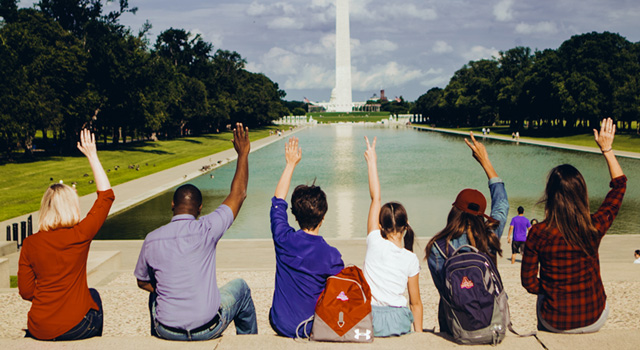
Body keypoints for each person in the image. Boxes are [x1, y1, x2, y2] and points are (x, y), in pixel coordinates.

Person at [134, 123, 257, 341]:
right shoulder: (207, 228)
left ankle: (158, 337)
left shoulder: (151, 239)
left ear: (172, 204)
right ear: (200, 209)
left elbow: (142, 282)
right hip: (207, 328)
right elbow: (239, 194)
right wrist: (243, 153)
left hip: (166, 330)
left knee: (157, 295)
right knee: (241, 288)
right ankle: (247, 342)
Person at [521, 118, 626, 334]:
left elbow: (529, 283)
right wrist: (607, 150)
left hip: (554, 321)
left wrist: (553, 289)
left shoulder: (538, 233)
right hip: (593, 317)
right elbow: (619, 187)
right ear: (582, 193)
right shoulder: (594, 226)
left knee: (542, 302)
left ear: (550, 196)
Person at [18, 129, 114, 341]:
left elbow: (26, 292)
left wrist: (51, 295)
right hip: (74, 327)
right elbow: (106, 197)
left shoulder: (30, 243)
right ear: (71, 206)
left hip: (39, 327)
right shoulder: (79, 235)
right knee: (94, 296)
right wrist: (92, 156)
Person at [425, 132, 509, 334]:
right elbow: (502, 203)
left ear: (454, 210)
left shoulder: (437, 246)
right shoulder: (490, 234)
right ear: (482, 215)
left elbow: (443, 289)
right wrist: (485, 161)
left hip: (454, 323)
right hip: (491, 318)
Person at [269, 137, 344, 338]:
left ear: (294, 214)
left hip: (281, 323)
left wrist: (290, 164)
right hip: (311, 327)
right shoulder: (332, 255)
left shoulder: (284, 239)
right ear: (324, 216)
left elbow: (277, 202)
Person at [362, 136, 422, 336]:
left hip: (370, 317)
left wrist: (372, 162)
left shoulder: (374, 240)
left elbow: (375, 196)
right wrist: (420, 336)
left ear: (380, 225)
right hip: (398, 319)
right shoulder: (410, 258)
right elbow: (415, 303)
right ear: (406, 226)